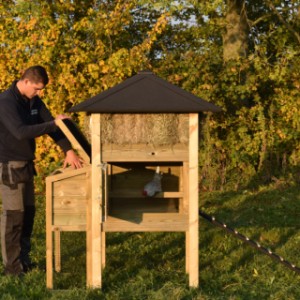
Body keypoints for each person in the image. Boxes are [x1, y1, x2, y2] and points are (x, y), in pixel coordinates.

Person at [0, 65, 83, 276]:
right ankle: (12, 268)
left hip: (27, 165)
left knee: (28, 216)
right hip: (10, 166)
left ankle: (24, 261)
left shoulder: (34, 101)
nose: (39, 93)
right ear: (26, 81)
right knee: (13, 218)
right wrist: (54, 124)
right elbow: (20, 133)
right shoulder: (6, 102)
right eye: (36, 89)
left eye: (41, 90)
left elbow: (50, 124)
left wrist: (68, 150)